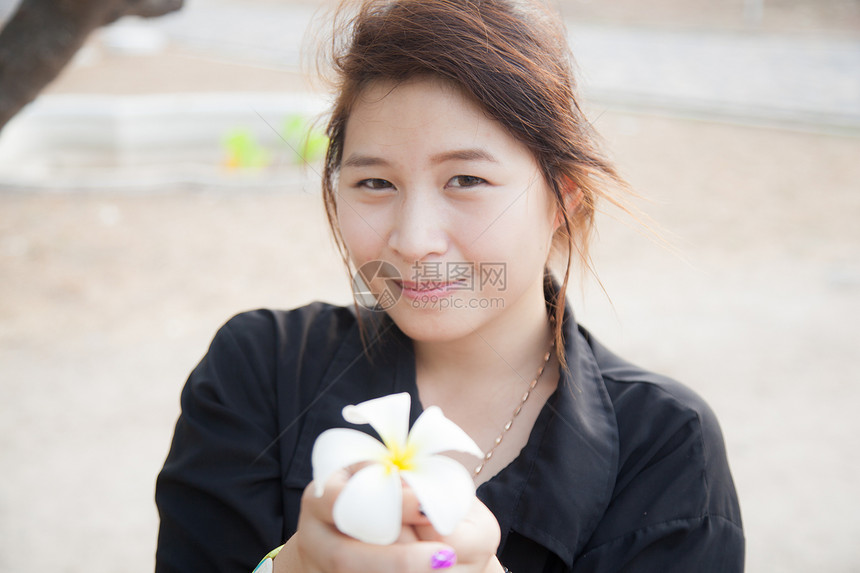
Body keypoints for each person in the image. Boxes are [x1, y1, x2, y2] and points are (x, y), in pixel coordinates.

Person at [154, 0, 744, 571]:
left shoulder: (666, 444)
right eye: (375, 183)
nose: (413, 241)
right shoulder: (259, 370)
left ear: (562, 198)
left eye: (466, 179)